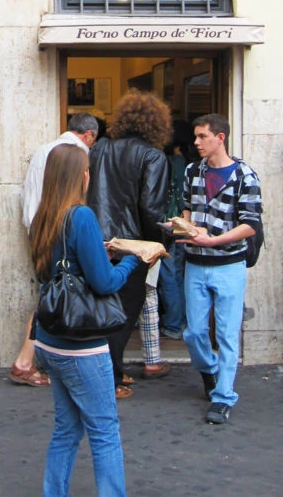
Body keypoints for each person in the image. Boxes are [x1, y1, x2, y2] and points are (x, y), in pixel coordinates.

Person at [31, 144, 139, 497]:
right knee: (105, 430)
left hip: (49, 338)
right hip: (81, 346)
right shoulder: (81, 217)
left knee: (66, 428)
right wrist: (134, 258)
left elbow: (56, 269)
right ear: (81, 176)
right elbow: (105, 282)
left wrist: (99, 253)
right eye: (88, 169)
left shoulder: (44, 216)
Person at [178, 113, 262, 425]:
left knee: (227, 334)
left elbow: (250, 225)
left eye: (202, 137)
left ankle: (223, 396)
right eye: (196, 137)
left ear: (220, 138)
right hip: (196, 262)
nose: (196, 142)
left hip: (228, 264)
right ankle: (210, 371)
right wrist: (183, 227)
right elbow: (188, 206)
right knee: (194, 332)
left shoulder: (244, 175)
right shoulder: (192, 171)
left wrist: (214, 241)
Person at [86, 89, 171, 398]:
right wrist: (157, 245)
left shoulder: (99, 149)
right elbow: (151, 208)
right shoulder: (153, 156)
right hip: (131, 246)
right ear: (157, 124)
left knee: (100, 311)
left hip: (96, 240)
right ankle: (110, 379)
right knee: (123, 316)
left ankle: (111, 372)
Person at [9, 113, 100, 387]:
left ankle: (28, 361)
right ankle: (25, 362)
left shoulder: (44, 150)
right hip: (58, 230)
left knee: (51, 294)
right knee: (52, 296)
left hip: (40, 229)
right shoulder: (75, 155)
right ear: (89, 135)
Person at [157, 121, 192, 339]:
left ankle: (171, 323)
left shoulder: (167, 162)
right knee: (179, 272)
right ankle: (181, 320)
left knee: (168, 273)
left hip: (168, 222)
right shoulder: (188, 164)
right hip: (183, 221)